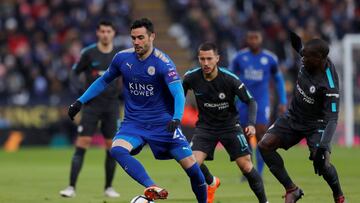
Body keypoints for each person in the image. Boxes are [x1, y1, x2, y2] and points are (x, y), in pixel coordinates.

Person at [67, 18, 207, 202]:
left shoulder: (163, 63)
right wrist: (80, 101)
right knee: (117, 149)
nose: (136, 42)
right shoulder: (122, 58)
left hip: (163, 124)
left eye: (141, 38)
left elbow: (178, 93)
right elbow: (103, 80)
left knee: (193, 170)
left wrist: (176, 118)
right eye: (133, 38)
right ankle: (152, 186)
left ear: (152, 37)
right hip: (134, 123)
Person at [258, 31, 345, 203]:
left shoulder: (329, 85)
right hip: (294, 116)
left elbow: (332, 119)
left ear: (320, 59)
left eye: (307, 58)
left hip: (317, 124)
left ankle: (339, 197)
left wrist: (323, 146)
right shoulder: (309, 58)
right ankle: (292, 189)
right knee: (264, 146)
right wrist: (293, 39)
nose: (303, 61)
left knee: (322, 163)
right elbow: (302, 51)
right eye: (303, 56)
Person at [183, 42, 268, 203]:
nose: (206, 63)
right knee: (191, 164)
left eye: (209, 59)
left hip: (229, 126)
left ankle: (264, 201)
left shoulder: (230, 79)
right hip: (205, 127)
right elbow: (178, 96)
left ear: (217, 59)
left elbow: (251, 102)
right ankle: (211, 183)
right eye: (202, 59)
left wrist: (250, 123)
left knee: (246, 166)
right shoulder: (191, 77)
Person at [60, 20, 121, 198]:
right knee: (82, 144)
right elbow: (74, 72)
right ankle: (71, 187)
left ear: (113, 33)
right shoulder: (88, 53)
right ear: (97, 33)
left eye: (108, 31)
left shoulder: (119, 55)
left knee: (112, 147)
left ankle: (109, 187)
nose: (105, 34)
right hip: (92, 106)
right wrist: (79, 91)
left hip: (111, 105)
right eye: (102, 31)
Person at [230, 29, 287, 178]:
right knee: (245, 134)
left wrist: (283, 101)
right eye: (250, 37)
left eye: (256, 37)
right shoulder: (239, 57)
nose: (253, 40)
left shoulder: (269, 58)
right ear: (247, 39)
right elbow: (230, 78)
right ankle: (249, 169)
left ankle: (260, 171)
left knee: (261, 134)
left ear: (261, 39)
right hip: (243, 101)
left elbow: (279, 80)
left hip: (262, 101)